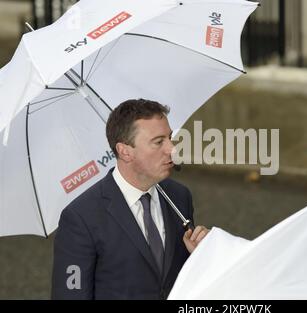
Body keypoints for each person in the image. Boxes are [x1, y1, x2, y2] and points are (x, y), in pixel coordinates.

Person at [52, 99, 208, 299]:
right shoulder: (81, 218)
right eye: (159, 142)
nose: (172, 149)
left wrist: (201, 256)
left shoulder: (179, 197)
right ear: (125, 151)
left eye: (170, 138)